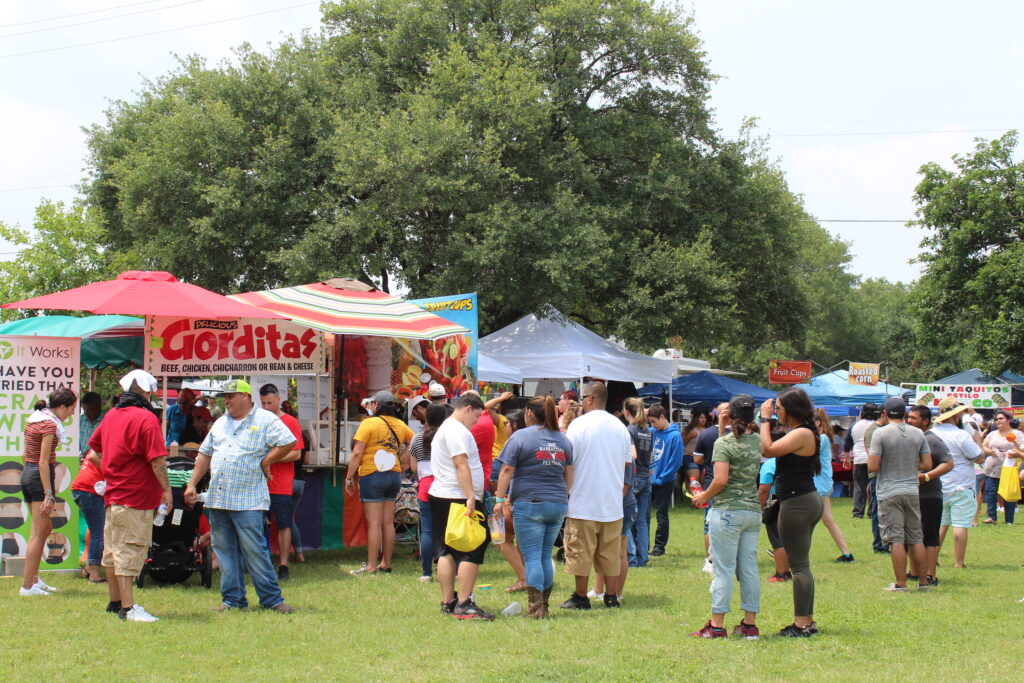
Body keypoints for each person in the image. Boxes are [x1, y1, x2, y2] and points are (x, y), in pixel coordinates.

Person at [184, 379, 297, 613]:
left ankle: (272, 600)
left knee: (254, 550)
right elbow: (205, 454)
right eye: (225, 396)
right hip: (219, 498)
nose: (226, 401)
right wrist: (192, 483)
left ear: (245, 397)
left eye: (231, 396)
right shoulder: (220, 423)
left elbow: (289, 443)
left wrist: (268, 460)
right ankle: (233, 600)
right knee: (224, 551)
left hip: (249, 499)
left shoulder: (266, 419)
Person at [88, 369, 172, 622]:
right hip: (136, 497)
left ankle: (115, 602)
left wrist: (114, 471)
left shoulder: (111, 415)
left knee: (113, 553)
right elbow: (157, 460)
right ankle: (128, 607)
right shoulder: (146, 419)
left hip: (113, 495)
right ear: (146, 391)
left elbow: (93, 452)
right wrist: (167, 490)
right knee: (128, 552)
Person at [493, 396, 573, 618]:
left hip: (530, 504)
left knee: (532, 557)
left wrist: (499, 500)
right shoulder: (563, 439)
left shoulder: (520, 436)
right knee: (545, 554)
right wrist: (563, 496)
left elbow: (507, 469)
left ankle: (536, 609)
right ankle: (543, 606)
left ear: (528, 413)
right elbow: (569, 473)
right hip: (557, 504)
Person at [689, 394, 762, 639]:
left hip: (728, 511)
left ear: (729, 415)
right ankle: (749, 625)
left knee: (723, 569)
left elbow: (720, 479)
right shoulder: (757, 441)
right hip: (752, 511)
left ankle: (717, 626)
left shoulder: (724, 443)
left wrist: (703, 496)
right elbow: (736, 446)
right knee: (749, 569)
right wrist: (723, 429)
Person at [560, 382, 631, 610]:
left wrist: (566, 490)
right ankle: (611, 596)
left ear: (589, 399)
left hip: (583, 499)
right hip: (611, 501)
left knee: (580, 551)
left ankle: (581, 596)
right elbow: (627, 462)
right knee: (610, 553)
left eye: (583, 397)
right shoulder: (620, 427)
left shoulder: (579, 425)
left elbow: (568, 462)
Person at [758, 388, 822, 637]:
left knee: (799, 567)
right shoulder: (801, 432)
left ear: (792, 410)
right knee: (802, 566)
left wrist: (765, 420)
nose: (776, 413)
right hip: (803, 500)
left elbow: (768, 450)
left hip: (797, 503)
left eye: (780, 410)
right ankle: (807, 619)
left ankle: (801, 624)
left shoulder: (803, 432)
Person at [428, 393, 493, 620]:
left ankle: (448, 602)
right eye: (476, 416)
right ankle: (464, 603)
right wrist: (470, 497)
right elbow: (460, 463)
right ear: (467, 408)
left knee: (445, 550)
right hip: (456, 497)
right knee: (471, 547)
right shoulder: (456, 431)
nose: (476, 422)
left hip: (441, 494)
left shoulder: (445, 428)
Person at [345, 390, 413, 575]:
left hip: (372, 473)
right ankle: (387, 563)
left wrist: (349, 477)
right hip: (393, 475)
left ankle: (371, 566)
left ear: (376, 405)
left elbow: (357, 452)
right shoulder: (399, 424)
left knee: (374, 523)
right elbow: (414, 441)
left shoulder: (369, 423)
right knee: (388, 523)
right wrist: (400, 456)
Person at [868, 397, 932, 591]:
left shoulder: (880, 434)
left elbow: (872, 465)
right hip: (911, 489)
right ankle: (923, 582)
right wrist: (909, 464)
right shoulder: (918, 434)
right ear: (905, 414)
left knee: (896, 539)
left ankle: (901, 583)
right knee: (916, 537)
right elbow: (927, 465)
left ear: (885, 414)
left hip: (889, 490)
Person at [19, 388, 78, 597]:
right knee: (38, 532)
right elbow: (43, 462)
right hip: (38, 476)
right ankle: (27, 586)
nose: (71, 414)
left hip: (28, 474)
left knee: (44, 528)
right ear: (61, 406)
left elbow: (25, 454)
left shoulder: (34, 419)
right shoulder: (50, 424)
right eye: (71, 409)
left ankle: (34, 579)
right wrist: (49, 493)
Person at [259, 384, 304, 581]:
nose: (266, 406)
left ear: (278, 399)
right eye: (263, 403)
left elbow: (296, 453)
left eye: (269, 402)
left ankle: (283, 564)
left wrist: (271, 458)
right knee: (259, 525)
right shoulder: (259, 421)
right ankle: (261, 563)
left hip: (282, 484)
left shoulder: (290, 422)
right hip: (261, 484)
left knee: (284, 524)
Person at [933, 397, 983, 569]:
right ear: (955, 415)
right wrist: (977, 439)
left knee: (941, 523)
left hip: (939, 483)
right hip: (961, 483)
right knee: (960, 524)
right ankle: (959, 562)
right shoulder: (961, 434)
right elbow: (979, 456)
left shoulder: (933, 432)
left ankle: (933, 558)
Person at [906, 405, 953, 585]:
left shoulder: (932, 440)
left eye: (914, 418)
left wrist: (927, 476)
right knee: (912, 533)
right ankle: (914, 571)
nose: (909, 421)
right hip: (911, 493)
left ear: (925, 421)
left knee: (930, 535)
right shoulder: (912, 438)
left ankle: (931, 574)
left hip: (930, 495)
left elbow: (948, 463)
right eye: (908, 417)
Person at [409, 402, 450, 582]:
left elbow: (412, 467)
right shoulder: (448, 437)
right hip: (446, 485)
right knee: (448, 530)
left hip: (425, 486)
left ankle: (426, 573)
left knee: (427, 531)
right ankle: (450, 569)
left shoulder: (417, 439)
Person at [693, 403, 730, 573]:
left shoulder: (706, 434)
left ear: (716, 414)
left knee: (709, 524)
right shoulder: (742, 434)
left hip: (711, 480)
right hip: (734, 485)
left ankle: (711, 560)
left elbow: (697, 460)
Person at [813, 411, 854, 563]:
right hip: (821, 484)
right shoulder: (821, 437)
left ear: (817, 423)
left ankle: (785, 549)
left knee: (804, 520)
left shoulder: (821, 438)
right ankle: (847, 554)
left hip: (819, 485)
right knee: (828, 520)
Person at [648, 404, 682, 557]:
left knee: (662, 514)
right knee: (644, 513)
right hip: (649, 480)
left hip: (664, 481)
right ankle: (643, 544)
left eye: (654, 421)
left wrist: (662, 478)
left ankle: (659, 546)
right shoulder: (652, 432)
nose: (652, 425)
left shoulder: (675, 436)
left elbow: (675, 461)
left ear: (662, 417)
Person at [623, 397, 653, 568]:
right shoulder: (647, 430)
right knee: (642, 520)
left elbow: (632, 455)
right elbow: (648, 457)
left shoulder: (629, 430)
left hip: (633, 478)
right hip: (645, 477)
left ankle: (631, 558)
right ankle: (643, 558)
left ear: (626, 411)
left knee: (627, 519)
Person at [980, 409, 1022, 524]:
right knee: (990, 492)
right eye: (996, 419)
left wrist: (1013, 450)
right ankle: (992, 517)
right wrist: (991, 452)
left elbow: (1021, 449)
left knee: (1007, 493)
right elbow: (983, 446)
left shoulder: (1017, 433)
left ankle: (1009, 520)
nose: (998, 421)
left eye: (1001, 418)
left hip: (1008, 467)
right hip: (992, 466)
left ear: (1008, 420)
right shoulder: (992, 434)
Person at [71, 450, 106, 583]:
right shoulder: (107, 440)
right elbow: (92, 457)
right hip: (89, 490)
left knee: (95, 530)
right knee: (99, 533)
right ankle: (94, 574)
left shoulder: (102, 440)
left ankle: (88, 568)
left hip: (83, 489)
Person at [849, 403, 879, 518]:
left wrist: (847, 457)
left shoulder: (855, 425)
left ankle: (857, 512)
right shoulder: (877, 426)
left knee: (859, 487)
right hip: (873, 458)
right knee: (873, 486)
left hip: (859, 458)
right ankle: (872, 511)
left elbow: (847, 442)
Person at [78, 392, 104, 457]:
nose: (86, 413)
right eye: (84, 409)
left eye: (89, 410)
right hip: (84, 462)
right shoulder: (80, 420)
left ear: (98, 407)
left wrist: (91, 453)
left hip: (100, 461)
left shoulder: (107, 421)